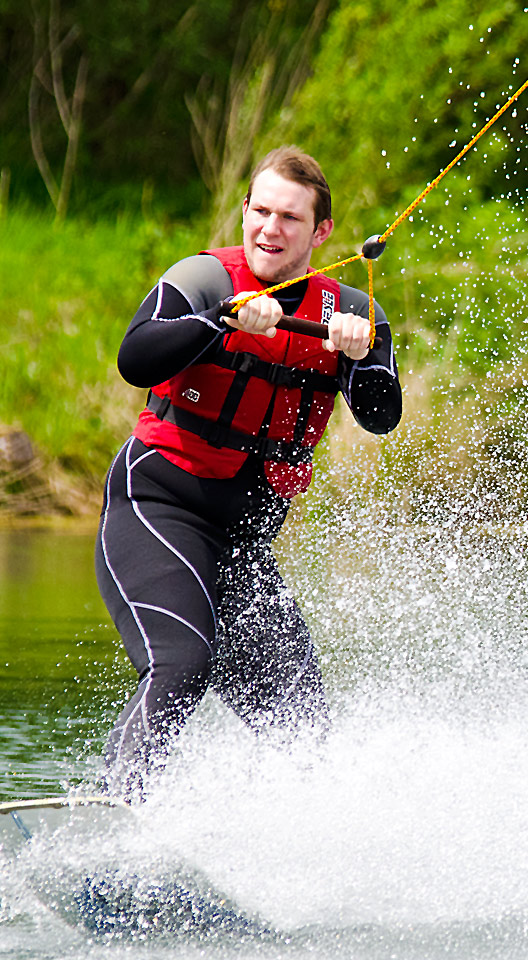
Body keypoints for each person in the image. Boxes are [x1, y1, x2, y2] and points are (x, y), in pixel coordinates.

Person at [94, 146, 400, 799]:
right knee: (182, 664)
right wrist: (217, 321)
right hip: (156, 508)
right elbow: (135, 357)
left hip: (242, 548)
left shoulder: (351, 313)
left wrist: (361, 356)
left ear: (320, 232)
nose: (269, 228)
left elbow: (380, 415)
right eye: (259, 210)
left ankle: (285, 862)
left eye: (289, 217)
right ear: (244, 211)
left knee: (304, 725)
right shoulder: (202, 280)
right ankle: (115, 809)